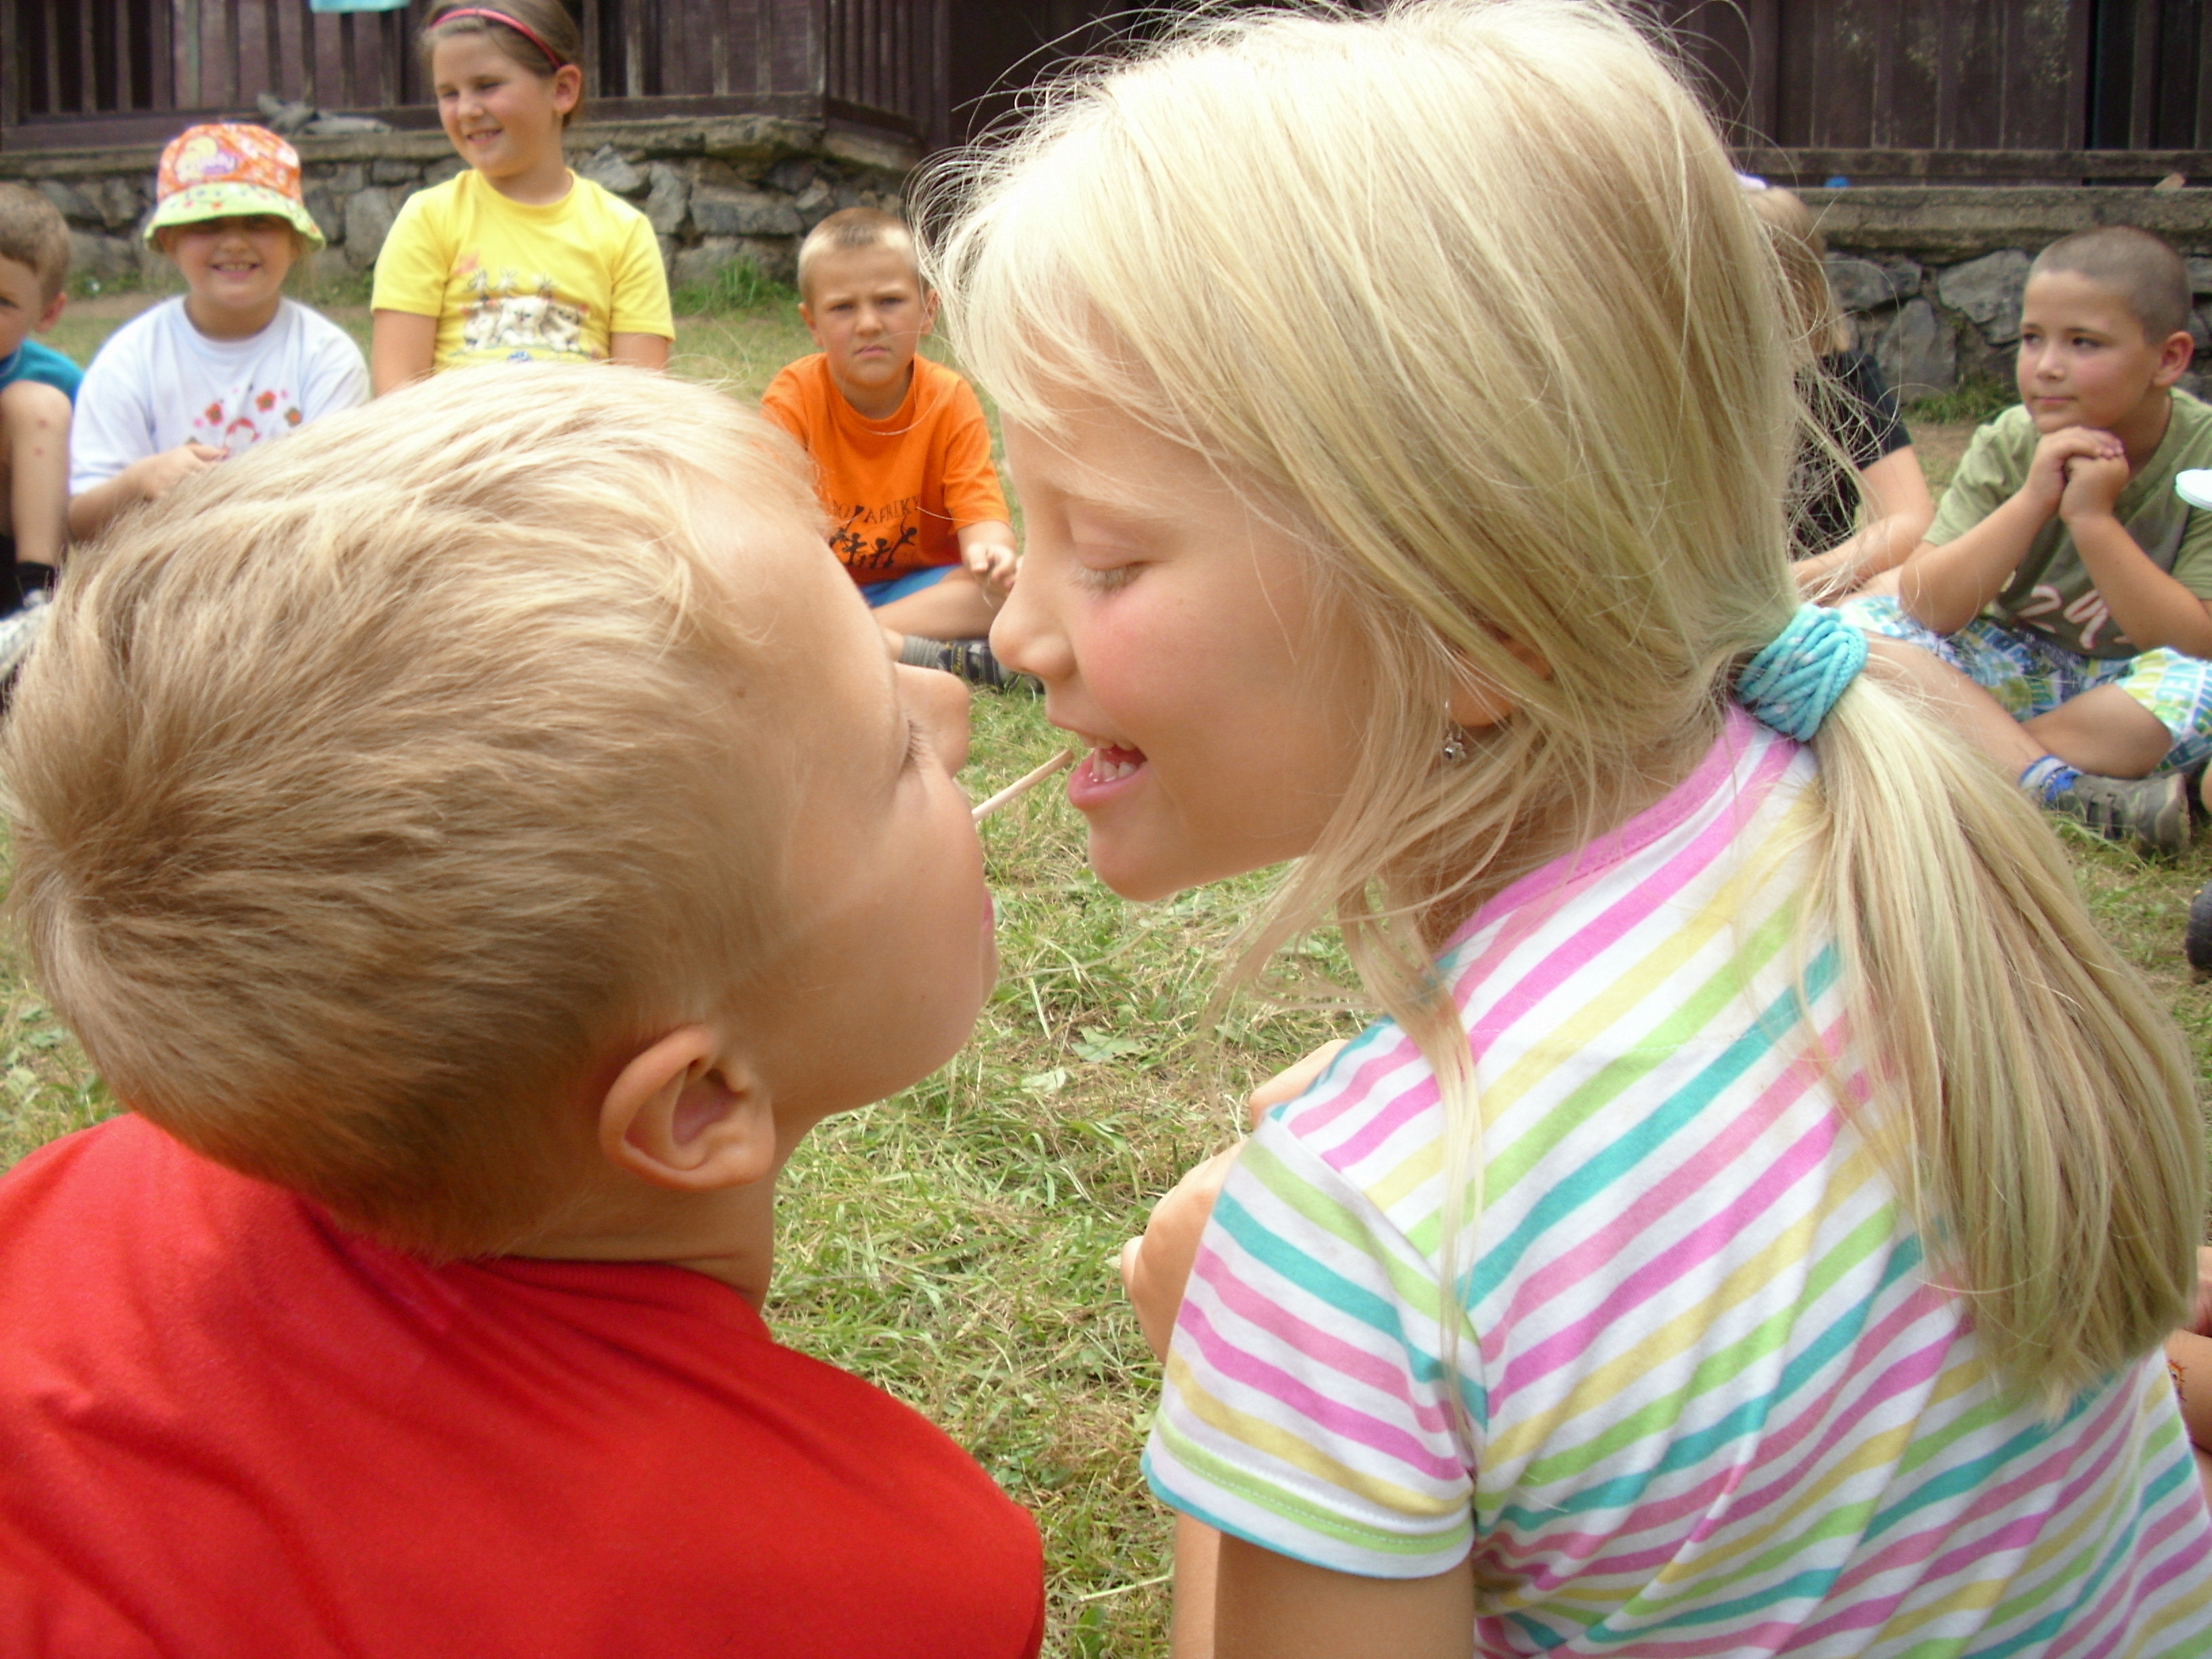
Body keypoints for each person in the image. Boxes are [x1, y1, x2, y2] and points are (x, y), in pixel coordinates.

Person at [924, 3, 2212, 1654]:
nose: (1020, 632)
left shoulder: (1363, 1227)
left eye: (1105, 555)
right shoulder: (1860, 824)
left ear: (1474, 620)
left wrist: (1236, 1373)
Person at [0, 366, 1043, 1657]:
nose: (954, 707)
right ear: (693, 1103)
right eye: (894, 754)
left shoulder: (68, 1209)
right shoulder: (881, 1584)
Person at [1839, 225, 2212, 855]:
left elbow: (2194, 641)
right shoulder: (2011, 441)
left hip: (2139, 684)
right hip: (2020, 662)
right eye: (2033, 338)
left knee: (2203, 684)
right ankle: (2060, 786)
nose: (2047, 366)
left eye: (2083, 342)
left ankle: (1969, 757)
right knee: (1856, 633)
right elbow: (1928, 605)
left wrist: (2092, 520)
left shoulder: (2203, 455)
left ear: (2169, 359)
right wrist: (2033, 500)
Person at [66, 123, 368, 545]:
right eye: (207, 224)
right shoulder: (130, 358)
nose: (234, 243)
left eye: (259, 222)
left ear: (295, 240)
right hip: (159, 567)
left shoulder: (327, 356)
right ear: (169, 242)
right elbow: (81, 523)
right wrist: (139, 481)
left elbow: (338, 507)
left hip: (289, 563)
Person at [763, 207, 1023, 688]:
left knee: (1004, 592)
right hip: (824, 590)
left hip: (923, 591)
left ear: (928, 310)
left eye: (889, 301)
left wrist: (993, 556)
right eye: (843, 308)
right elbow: (776, 526)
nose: (868, 324)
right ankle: (900, 647)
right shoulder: (794, 396)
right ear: (812, 324)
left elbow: (979, 512)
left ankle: (852, 640)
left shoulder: (948, 398)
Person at [370, 1, 673, 390]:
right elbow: (397, 390)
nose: (466, 110)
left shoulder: (624, 232)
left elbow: (642, 397)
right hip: (454, 430)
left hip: (583, 429)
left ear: (562, 90)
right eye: (448, 93)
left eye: (487, 85)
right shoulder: (428, 219)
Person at [1742, 184, 1933, 598]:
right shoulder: (1676, 386)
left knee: (1899, 585)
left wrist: (1793, 581)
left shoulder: (1843, 378)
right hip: (1703, 605)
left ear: (1802, 289)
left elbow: (1909, 520)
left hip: (1811, 597)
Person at [0, 182, 78, 673]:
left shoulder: (59, 380)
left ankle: (38, 605)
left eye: (2, 302)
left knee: (36, 406)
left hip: (13, 550)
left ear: (47, 313)